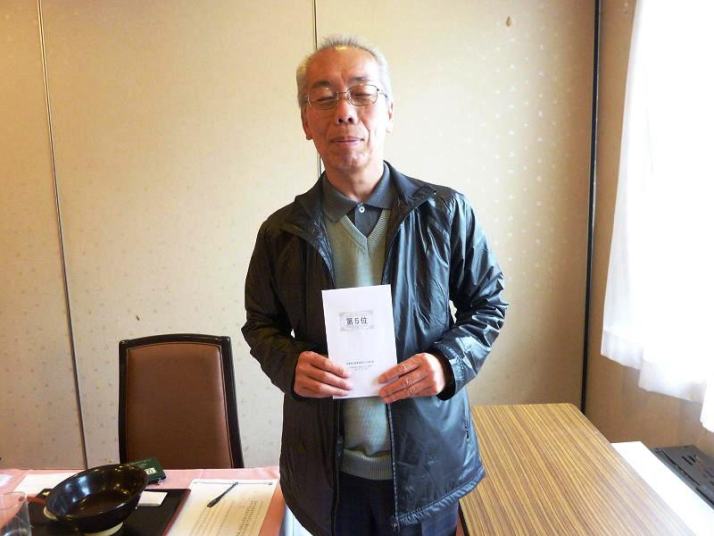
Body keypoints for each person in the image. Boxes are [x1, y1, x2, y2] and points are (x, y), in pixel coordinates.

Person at [242, 35, 507, 536]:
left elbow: (488, 303)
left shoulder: (445, 213)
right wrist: (288, 364)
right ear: (306, 122)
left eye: (362, 94)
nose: (344, 112)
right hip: (328, 477)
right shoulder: (282, 233)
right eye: (324, 98)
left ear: (389, 112)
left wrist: (446, 362)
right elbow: (260, 324)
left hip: (427, 468)